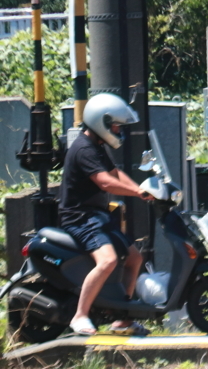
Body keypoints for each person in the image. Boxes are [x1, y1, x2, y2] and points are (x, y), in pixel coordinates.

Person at [59, 93, 152, 336]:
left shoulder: (97, 145)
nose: (118, 130)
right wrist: (138, 193)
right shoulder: (83, 149)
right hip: (80, 217)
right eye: (115, 125)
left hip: (96, 217)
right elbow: (105, 183)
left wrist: (142, 188)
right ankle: (80, 316)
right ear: (101, 122)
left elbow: (115, 174)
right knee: (108, 260)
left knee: (134, 258)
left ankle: (122, 319)